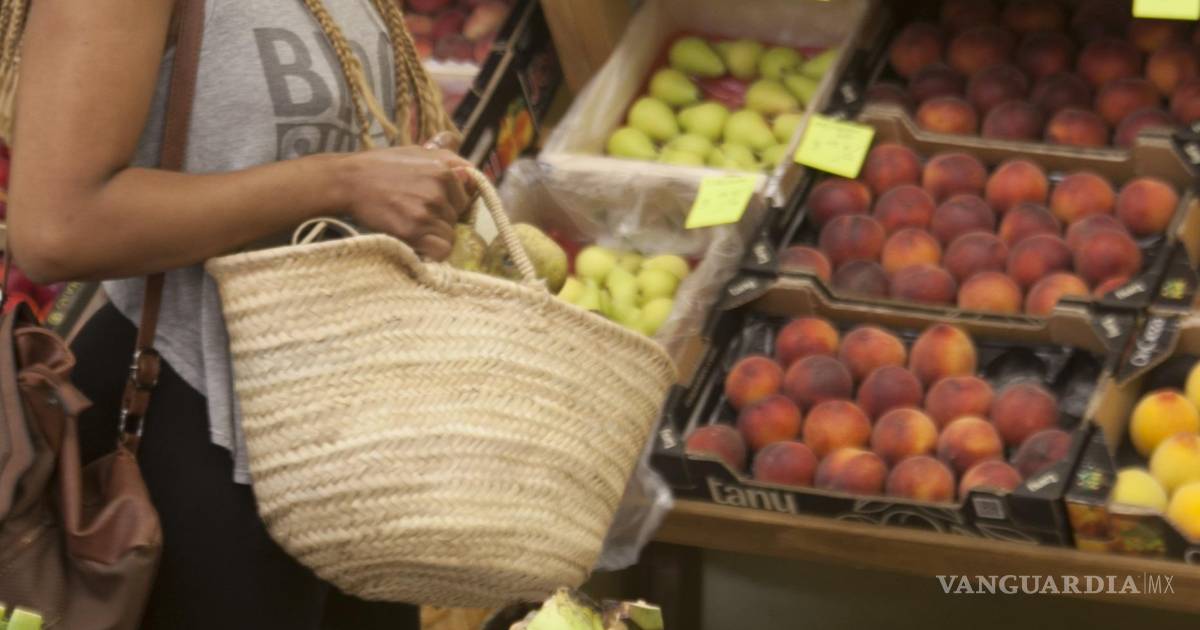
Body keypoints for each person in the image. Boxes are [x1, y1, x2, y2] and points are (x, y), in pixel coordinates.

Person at [7, 0, 476, 627]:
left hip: (341, 449)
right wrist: (342, 181)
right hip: (186, 430)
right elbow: (55, 229)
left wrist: (409, 185)